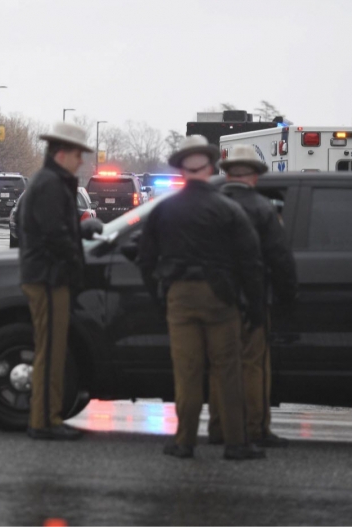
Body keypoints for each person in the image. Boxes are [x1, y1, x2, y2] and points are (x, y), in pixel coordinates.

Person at [138, 135, 266, 460]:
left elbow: (145, 258)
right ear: (210, 168)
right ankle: (236, 442)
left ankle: (184, 441)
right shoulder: (229, 209)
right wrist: (253, 304)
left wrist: (159, 294)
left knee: (187, 370)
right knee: (227, 369)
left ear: (181, 170)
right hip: (221, 297)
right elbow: (251, 261)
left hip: (179, 297)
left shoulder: (163, 210)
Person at [208, 144, 298, 448]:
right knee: (253, 365)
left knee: (220, 364)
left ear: (228, 173)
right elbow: (280, 258)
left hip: (215, 299)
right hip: (253, 298)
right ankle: (255, 427)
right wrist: (287, 295)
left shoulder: (212, 205)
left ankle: (219, 427)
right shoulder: (263, 209)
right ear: (255, 177)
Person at [18, 122, 103, 440]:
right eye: (79, 155)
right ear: (62, 153)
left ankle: (47, 417)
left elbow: (55, 229)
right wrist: (75, 261)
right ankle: (44, 420)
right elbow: (56, 236)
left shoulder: (50, 182)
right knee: (50, 351)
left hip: (46, 275)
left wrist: (80, 231)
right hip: (49, 278)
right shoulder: (51, 184)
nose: (82, 161)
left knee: (51, 349)